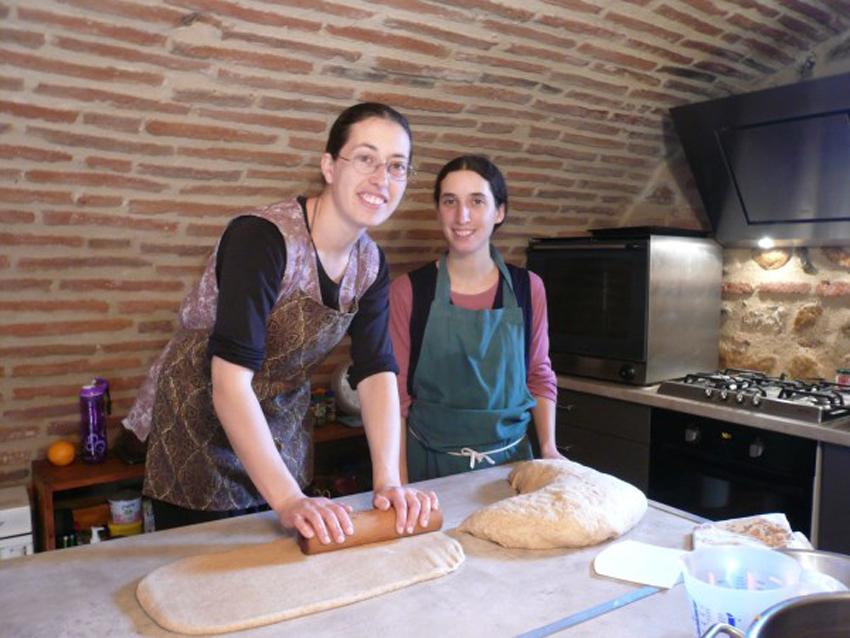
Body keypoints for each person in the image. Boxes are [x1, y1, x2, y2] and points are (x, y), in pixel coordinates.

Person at [123, 102, 437, 545]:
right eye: (365, 158)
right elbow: (229, 384)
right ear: (329, 166)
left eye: (397, 166)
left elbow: (376, 370)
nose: (381, 178)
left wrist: (388, 481)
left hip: (279, 423)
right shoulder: (263, 238)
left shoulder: (371, 263)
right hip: (199, 425)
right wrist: (288, 500)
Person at [389, 155, 566, 482]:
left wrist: (549, 448)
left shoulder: (529, 289)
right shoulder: (408, 291)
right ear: (438, 210)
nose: (462, 216)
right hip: (430, 468)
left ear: (499, 212)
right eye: (450, 201)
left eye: (477, 201)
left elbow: (538, 374)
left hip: (513, 467)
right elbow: (395, 395)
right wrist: (397, 479)